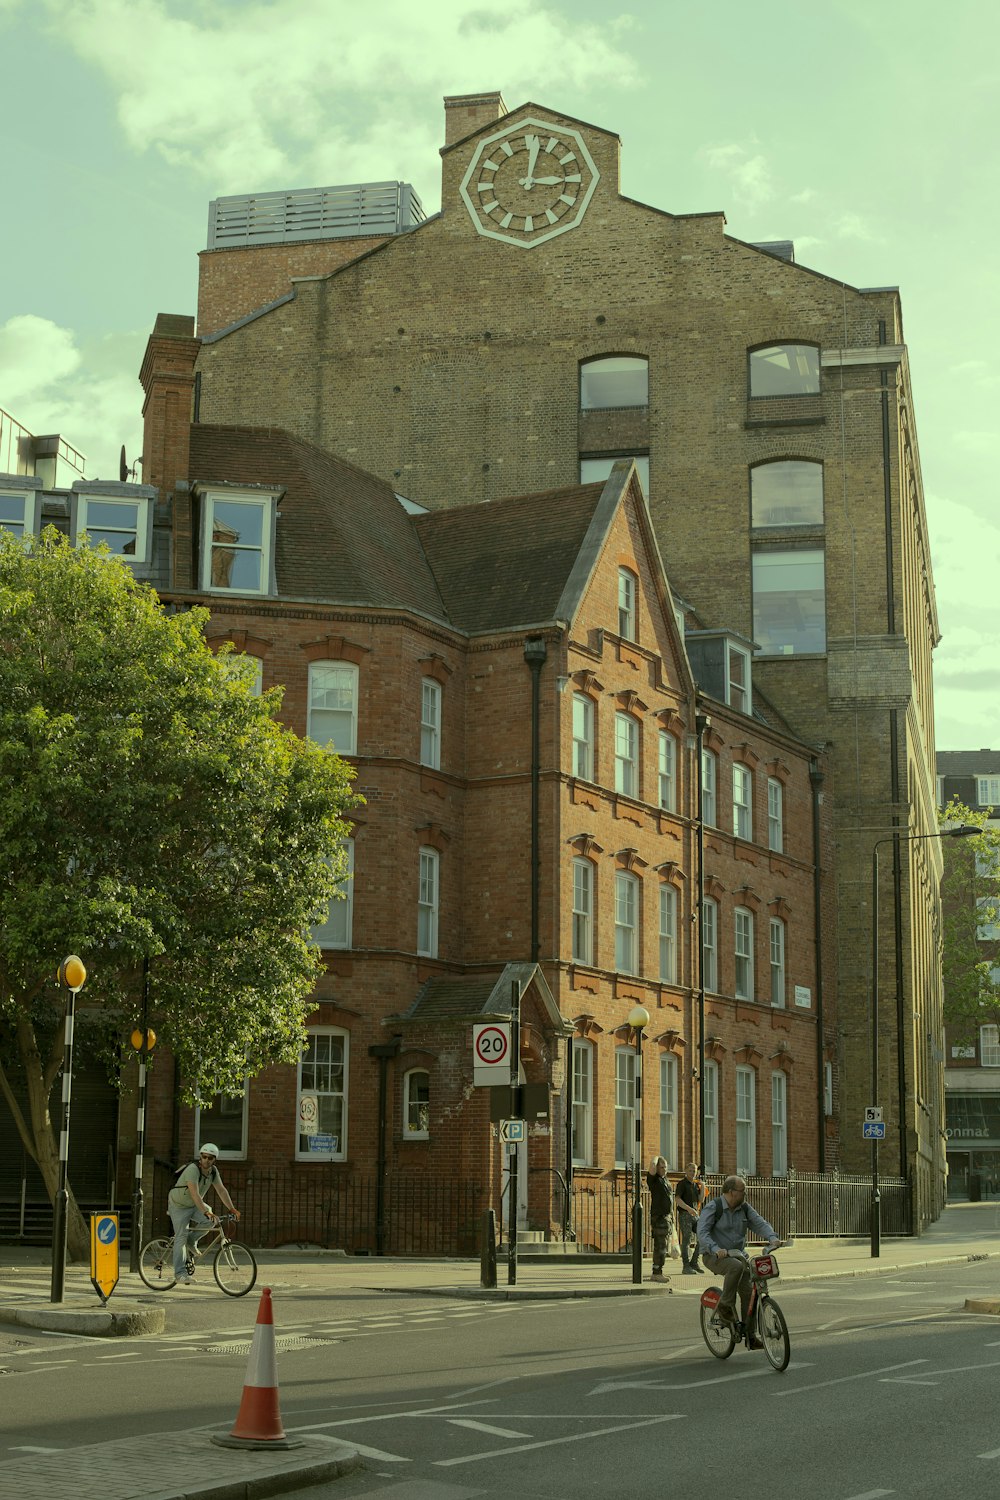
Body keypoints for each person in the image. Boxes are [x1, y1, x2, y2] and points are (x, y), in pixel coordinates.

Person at [698, 1174, 779, 1346]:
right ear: (731, 1192)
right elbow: (702, 1232)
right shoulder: (714, 1207)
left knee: (750, 1292)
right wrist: (715, 1249)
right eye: (743, 1191)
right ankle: (724, 1306)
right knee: (734, 1267)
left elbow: (759, 1223)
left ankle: (750, 1336)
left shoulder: (745, 1208)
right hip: (714, 1256)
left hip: (739, 1255)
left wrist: (772, 1237)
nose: (745, 1194)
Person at [166, 1143, 240, 1288]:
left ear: (214, 1160)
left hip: (194, 1204)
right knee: (181, 1236)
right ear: (200, 1157)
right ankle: (180, 1274)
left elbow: (221, 1190)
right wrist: (206, 1211)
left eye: (210, 1158)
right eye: (203, 1156)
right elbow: (194, 1194)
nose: (206, 1160)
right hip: (178, 1205)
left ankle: (191, 1242)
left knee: (213, 1220)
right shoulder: (193, 1169)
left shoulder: (213, 1172)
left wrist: (232, 1208)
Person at [645, 1154, 674, 1281]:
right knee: (660, 1246)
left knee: (663, 1246)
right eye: (661, 1168)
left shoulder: (665, 1180)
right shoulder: (654, 1180)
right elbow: (651, 1166)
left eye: (666, 1167)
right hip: (659, 1218)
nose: (664, 1170)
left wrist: (672, 1217)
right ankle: (656, 1273)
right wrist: (656, 1157)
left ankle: (659, 1271)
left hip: (666, 1218)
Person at [674, 1161, 705, 1274]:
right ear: (686, 1171)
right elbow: (677, 1199)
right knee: (687, 1239)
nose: (693, 1173)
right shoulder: (682, 1184)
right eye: (690, 1171)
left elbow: (701, 1200)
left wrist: (703, 1187)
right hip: (685, 1214)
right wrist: (688, 1209)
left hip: (695, 1214)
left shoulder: (696, 1185)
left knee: (702, 1235)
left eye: (694, 1171)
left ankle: (694, 1262)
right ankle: (686, 1266)